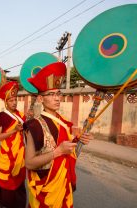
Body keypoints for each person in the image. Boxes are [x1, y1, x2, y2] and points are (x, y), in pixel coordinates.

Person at [24, 62, 93, 208]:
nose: (57, 98)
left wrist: (79, 139)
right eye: (51, 94)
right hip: (45, 187)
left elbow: (67, 146)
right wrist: (58, 152)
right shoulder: (34, 125)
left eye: (58, 94)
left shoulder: (63, 122)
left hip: (62, 184)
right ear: (41, 99)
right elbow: (29, 163)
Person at [0, 81, 26, 208]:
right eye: (11, 100)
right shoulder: (1, 116)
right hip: (7, 154)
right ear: (6, 102)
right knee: (6, 181)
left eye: (15, 99)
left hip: (20, 153)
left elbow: (25, 131)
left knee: (19, 180)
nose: (14, 102)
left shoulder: (20, 115)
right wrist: (14, 130)